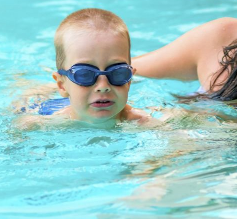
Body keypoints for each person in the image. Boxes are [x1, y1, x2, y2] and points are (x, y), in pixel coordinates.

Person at [13, 8, 150, 130]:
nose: (103, 86)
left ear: (129, 81)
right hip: (50, 106)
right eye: (84, 74)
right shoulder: (47, 122)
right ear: (62, 85)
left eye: (118, 73)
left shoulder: (142, 122)